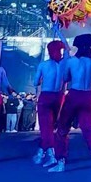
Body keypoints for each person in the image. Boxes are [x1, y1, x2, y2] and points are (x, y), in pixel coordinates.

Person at [49, 18, 91, 174]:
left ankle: (61, 161)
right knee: (87, 128)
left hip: (74, 94)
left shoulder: (71, 61)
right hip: (89, 95)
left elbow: (66, 78)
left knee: (62, 129)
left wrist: (58, 32)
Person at [33, 38, 67, 167]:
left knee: (45, 127)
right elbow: (68, 49)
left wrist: (42, 80)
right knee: (51, 126)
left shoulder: (43, 65)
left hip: (46, 96)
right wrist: (59, 34)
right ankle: (41, 151)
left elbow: (35, 82)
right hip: (59, 97)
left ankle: (51, 154)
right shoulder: (64, 64)